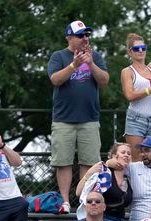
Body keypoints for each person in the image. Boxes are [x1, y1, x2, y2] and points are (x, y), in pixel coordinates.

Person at [47, 21, 109, 208]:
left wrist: (90, 63)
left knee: (89, 162)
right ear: (69, 37)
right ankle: (65, 202)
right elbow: (56, 79)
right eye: (81, 35)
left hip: (89, 119)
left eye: (87, 35)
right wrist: (74, 65)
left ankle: (84, 201)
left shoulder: (95, 56)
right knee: (63, 162)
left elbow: (104, 80)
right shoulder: (58, 56)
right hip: (63, 119)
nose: (85, 39)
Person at [119, 33, 151, 149]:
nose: (140, 50)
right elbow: (129, 95)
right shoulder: (127, 71)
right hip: (136, 120)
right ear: (130, 52)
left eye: (143, 48)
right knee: (137, 160)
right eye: (136, 48)